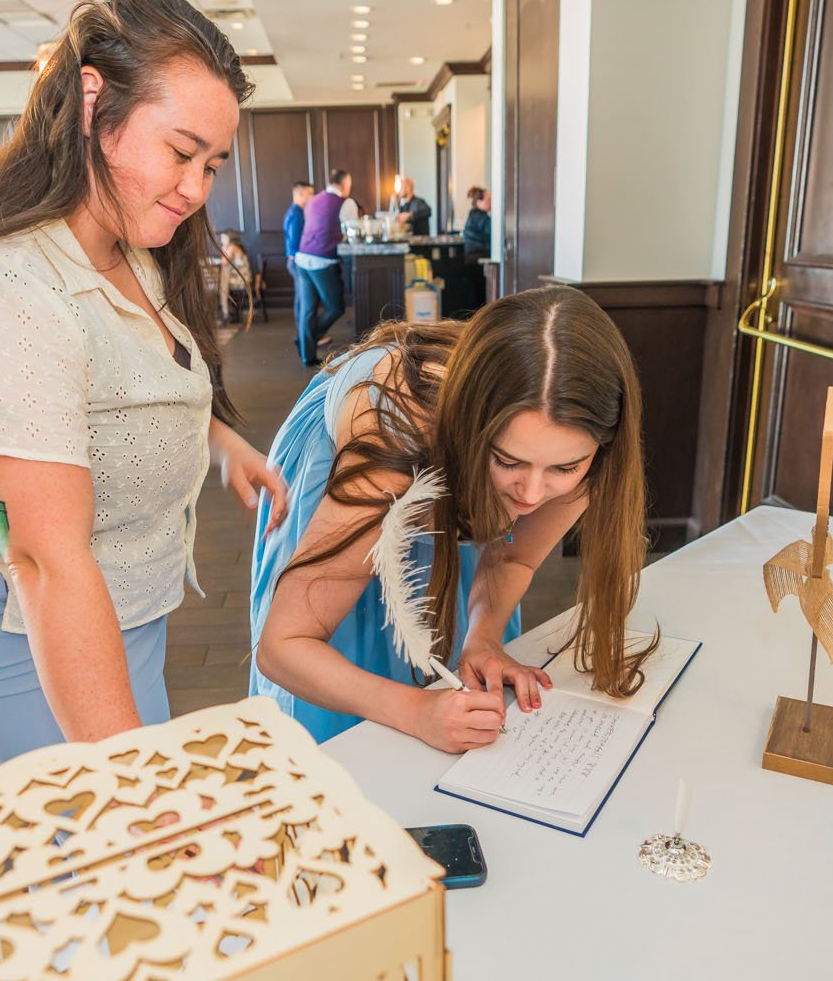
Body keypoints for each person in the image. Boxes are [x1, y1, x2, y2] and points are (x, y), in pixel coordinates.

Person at [0, 0, 289, 764]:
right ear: (95, 101)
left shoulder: (132, 249)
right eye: (180, 151)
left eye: (213, 163)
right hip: (18, 624)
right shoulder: (3, 287)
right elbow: (39, 557)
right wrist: (128, 781)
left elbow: (123, 377)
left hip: (125, 603)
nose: (197, 188)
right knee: (107, 843)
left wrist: (221, 441)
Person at [250, 285, 655, 750]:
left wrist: (482, 637)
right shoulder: (393, 438)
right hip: (374, 450)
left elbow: (512, 560)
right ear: (472, 430)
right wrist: (414, 710)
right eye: (508, 460)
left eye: (564, 469)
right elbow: (284, 646)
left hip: (444, 472)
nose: (532, 495)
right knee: (347, 680)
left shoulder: (589, 447)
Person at [293, 170, 350, 367]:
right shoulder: (345, 202)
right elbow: (350, 229)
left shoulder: (313, 200)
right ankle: (307, 339)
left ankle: (306, 353)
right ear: (344, 185)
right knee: (335, 307)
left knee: (308, 310)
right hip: (321, 261)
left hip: (302, 258)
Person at [217, 229, 254, 321]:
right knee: (223, 277)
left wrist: (223, 249)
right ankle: (226, 309)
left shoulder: (232, 247)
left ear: (230, 239)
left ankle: (225, 310)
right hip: (244, 278)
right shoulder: (236, 247)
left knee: (223, 279)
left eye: (223, 238)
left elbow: (224, 262)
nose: (221, 241)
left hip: (241, 280)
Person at [282, 180, 311, 274]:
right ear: (300, 194)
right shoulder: (296, 214)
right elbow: (294, 239)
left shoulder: (296, 211)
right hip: (296, 260)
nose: (312, 197)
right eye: (310, 193)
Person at [462, 186, 492, 258]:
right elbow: (492, 236)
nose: (491, 202)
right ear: (478, 202)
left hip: (471, 256)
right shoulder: (481, 218)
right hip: (479, 256)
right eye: (488, 200)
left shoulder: (473, 215)